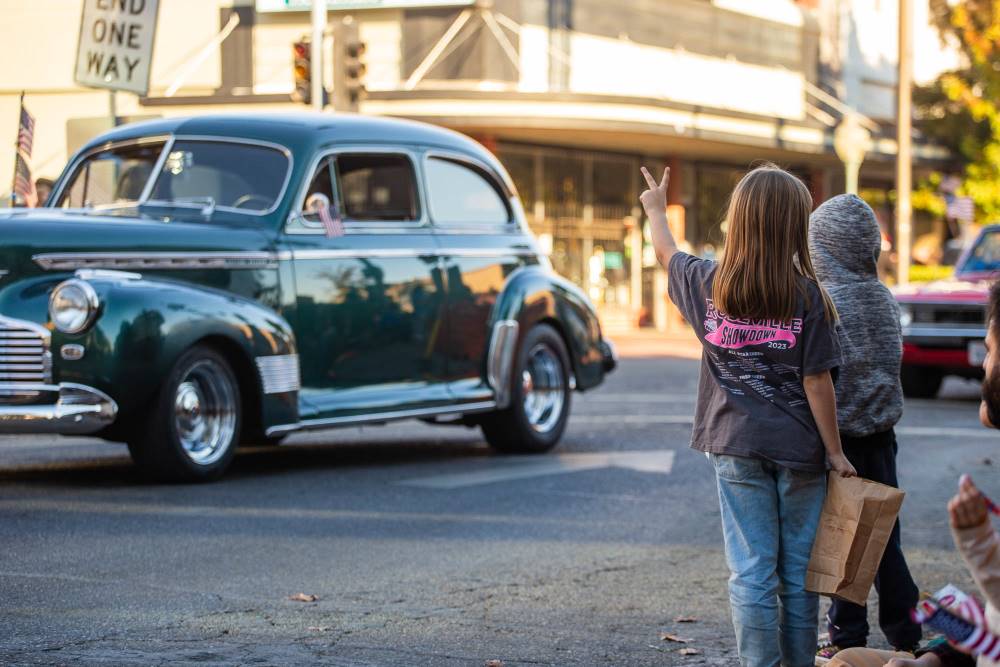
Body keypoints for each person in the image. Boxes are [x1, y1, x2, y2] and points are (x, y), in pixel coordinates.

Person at [639, 162, 857, 667]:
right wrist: (835, 451)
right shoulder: (808, 297)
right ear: (793, 227)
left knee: (751, 570)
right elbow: (816, 380)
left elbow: (665, 252)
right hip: (800, 452)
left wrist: (655, 209)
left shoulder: (708, 285)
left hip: (734, 445)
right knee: (798, 571)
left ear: (738, 221)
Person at [826, 279, 1000, 667]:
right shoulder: (883, 298)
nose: (985, 363)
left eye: (990, 350)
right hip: (979, 651)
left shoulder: (830, 301)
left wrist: (980, 549)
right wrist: (930, 657)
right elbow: (992, 621)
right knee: (847, 660)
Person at [809, 194, 922, 660]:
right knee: (883, 536)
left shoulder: (826, 302)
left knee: (846, 539)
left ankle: (847, 636)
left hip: (844, 438)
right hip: (882, 434)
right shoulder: (882, 296)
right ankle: (906, 628)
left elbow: (824, 376)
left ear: (824, 249)